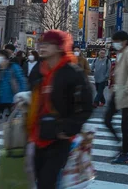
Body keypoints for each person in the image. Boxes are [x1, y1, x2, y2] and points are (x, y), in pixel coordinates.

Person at [17, 30, 93, 189]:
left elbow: (86, 106)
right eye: (42, 43)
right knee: (37, 180)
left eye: (48, 44)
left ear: (60, 47)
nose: (43, 47)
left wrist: (68, 129)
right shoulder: (39, 70)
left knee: (47, 182)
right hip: (36, 134)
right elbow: (35, 95)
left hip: (59, 138)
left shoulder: (73, 73)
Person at [105, 31, 128, 164]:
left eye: (117, 40)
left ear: (125, 41)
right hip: (118, 91)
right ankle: (120, 147)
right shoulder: (120, 53)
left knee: (125, 124)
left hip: (126, 93)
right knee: (107, 119)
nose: (115, 43)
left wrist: (126, 89)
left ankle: (124, 152)